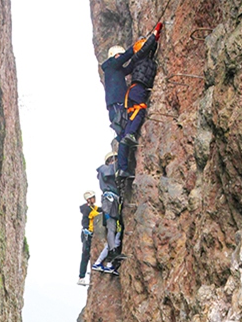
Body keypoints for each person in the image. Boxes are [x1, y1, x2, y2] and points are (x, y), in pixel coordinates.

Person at [100, 23, 162, 178]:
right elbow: (127, 56)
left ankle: (123, 168)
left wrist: (145, 46)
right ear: (115, 56)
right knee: (124, 134)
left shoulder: (117, 69)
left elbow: (132, 63)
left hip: (119, 105)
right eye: (119, 56)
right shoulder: (109, 66)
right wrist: (135, 46)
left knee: (123, 137)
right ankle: (122, 166)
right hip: (117, 105)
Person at [92, 153, 123, 275]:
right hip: (109, 201)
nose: (115, 161)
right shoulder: (104, 169)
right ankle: (106, 262)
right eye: (113, 159)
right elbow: (109, 171)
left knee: (117, 234)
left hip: (112, 202)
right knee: (113, 231)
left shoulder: (108, 173)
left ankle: (106, 263)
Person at [78, 191, 100, 286]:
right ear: (89, 199)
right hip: (87, 234)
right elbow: (95, 214)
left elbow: (99, 210)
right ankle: (81, 277)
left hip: (91, 234)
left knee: (92, 253)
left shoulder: (92, 207)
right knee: (86, 254)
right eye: (93, 197)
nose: (94, 199)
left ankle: (90, 271)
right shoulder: (87, 209)